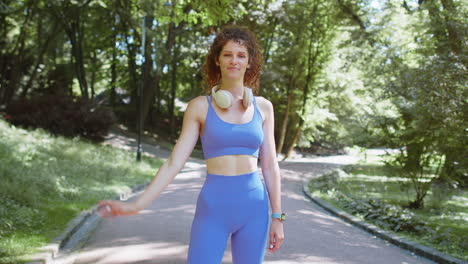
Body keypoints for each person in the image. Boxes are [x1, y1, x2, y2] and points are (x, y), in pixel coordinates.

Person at [98, 25, 285, 264]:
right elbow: (174, 162)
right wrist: (137, 205)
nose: (234, 61)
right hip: (213, 209)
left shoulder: (264, 107)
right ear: (217, 60)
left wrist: (278, 217)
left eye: (241, 55)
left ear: (250, 62)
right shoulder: (200, 107)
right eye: (227, 54)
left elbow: (269, 165)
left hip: (255, 209)